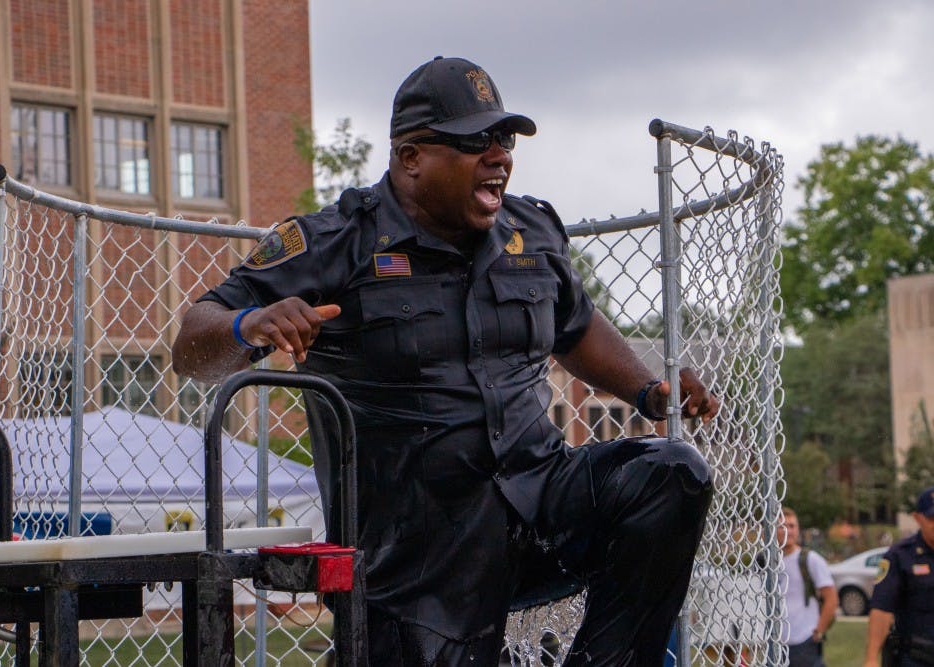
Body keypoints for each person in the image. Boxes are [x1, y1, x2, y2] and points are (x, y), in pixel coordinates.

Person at [172, 55, 718, 666]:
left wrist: (649, 392)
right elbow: (191, 345)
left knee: (672, 473)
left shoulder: (530, 233)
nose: (499, 155)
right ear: (411, 157)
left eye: (504, 139)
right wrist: (250, 323)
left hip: (540, 500)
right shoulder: (333, 242)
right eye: (475, 141)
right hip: (420, 553)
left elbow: (576, 325)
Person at [864, 485, 934, 667]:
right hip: (918, 658)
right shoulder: (900, 556)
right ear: (918, 518)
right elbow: (881, 609)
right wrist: (871, 659)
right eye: (932, 518)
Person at [778, 507, 837, 667]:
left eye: (792, 526)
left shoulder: (810, 559)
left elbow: (831, 598)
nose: (788, 531)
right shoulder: (764, 562)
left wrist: (818, 632)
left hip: (804, 642)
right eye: (782, 526)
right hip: (774, 643)